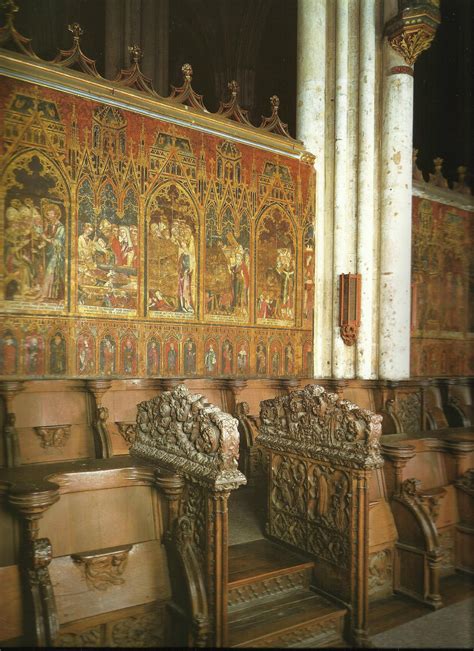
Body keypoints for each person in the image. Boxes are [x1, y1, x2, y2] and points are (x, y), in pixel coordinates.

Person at [41, 204, 65, 300]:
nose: (49, 216)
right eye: (48, 214)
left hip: (56, 253)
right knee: (47, 271)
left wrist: (46, 239)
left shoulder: (61, 227)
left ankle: (50, 294)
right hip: (48, 252)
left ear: (55, 215)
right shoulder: (50, 225)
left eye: (50, 214)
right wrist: (43, 238)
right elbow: (45, 235)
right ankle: (47, 294)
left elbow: (58, 241)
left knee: (51, 272)